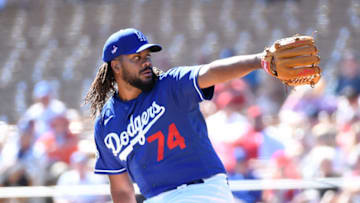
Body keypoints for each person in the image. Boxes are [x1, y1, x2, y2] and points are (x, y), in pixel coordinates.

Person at [84, 28, 268, 203]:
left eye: (147, 56)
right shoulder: (107, 123)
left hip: (202, 191)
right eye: (136, 57)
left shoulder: (171, 85)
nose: (146, 62)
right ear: (116, 66)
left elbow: (211, 72)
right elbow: (122, 189)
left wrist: (259, 60)